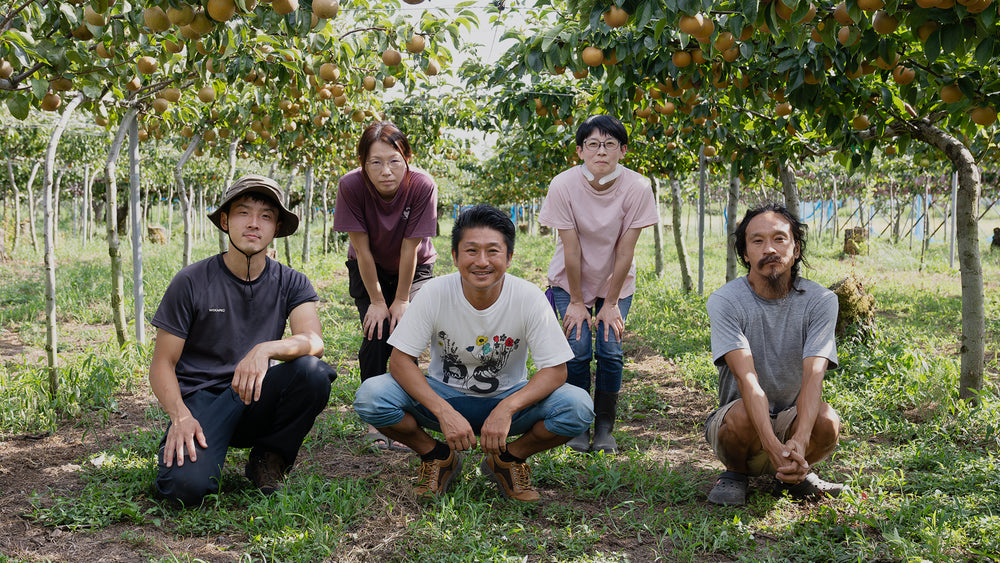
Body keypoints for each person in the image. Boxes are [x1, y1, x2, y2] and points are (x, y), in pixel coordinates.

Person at [353, 204, 594, 502]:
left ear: (509, 257)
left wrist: (507, 409)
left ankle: (507, 461)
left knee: (578, 407)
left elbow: (556, 370)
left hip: (509, 397)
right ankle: (438, 456)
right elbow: (400, 361)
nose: (482, 262)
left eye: (493, 251)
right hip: (445, 395)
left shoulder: (528, 297)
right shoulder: (434, 293)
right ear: (454, 256)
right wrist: (443, 411)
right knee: (371, 397)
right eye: (471, 251)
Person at [150, 174, 337, 506]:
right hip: (201, 401)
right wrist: (180, 415)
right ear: (224, 220)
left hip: (254, 394)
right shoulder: (191, 281)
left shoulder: (291, 282)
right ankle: (182, 445)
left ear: (277, 227)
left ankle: (269, 458)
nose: (254, 223)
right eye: (243, 212)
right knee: (184, 492)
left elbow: (313, 340)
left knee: (313, 372)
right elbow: (162, 363)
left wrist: (265, 349)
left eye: (266, 216)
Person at [704, 202, 844, 506]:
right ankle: (735, 473)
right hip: (742, 427)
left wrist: (801, 440)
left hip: (793, 422)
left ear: (795, 250)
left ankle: (796, 475)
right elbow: (747, 379)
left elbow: (813, 375)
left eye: (780, 239)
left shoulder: (821, 301)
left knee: (827, 420)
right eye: (757, 241)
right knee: (741, 415)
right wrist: (772, 446)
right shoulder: (726, 301)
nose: (770, 248)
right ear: (745, 254)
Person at [538, 114, 659, 454]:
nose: (600, 151)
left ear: (623, 150)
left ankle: (605, 426)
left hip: (615, 283)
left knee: (610, 349)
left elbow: (626, 249)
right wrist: (577, 301)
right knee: (576, 349)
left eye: (609, 144)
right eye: (592, 144)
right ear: (580, 151)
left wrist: (609, 303)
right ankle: (578, 423)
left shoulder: (638, 187)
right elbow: (571, 246)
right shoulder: (563, 185)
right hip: (568, 280)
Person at [334, 121, 438, 451]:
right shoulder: (350, 186)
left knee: (406, 336)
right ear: (362, 163)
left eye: (394, 160)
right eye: (375, 162)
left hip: (416, 266)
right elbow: (362, 250)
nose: (386, 171)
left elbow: (411, 247)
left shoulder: (422, 185)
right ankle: (375, 418)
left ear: (407, 158)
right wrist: (379, 301)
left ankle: (405, 415)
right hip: (369, 266)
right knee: (377, 332)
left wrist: (403, 299)